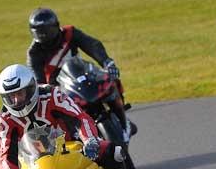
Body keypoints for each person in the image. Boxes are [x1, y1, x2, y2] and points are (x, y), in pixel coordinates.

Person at [0, 64, 141, 169]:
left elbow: (80, 118)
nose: (16, 100)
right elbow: (5, 155)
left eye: (20, 93)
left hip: (71, 146)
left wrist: (90, 140)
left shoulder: (51, 94)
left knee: (114, 152)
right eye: (11, 97)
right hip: (37, 163)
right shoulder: (5, 118)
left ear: (31, 88)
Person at [27, 7, 137, 137]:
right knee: (53, 112)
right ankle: (74, 135)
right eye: (40, 31)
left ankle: (121, 114)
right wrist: (44, 90)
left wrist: (107, 62)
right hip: (58, 86)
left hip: (81, 73)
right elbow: (37, 77)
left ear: (56, 26)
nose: (44, 34)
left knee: (110, 78)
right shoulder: (34, 53)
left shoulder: (70, 33)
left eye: (46, 30)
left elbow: (92, 45)